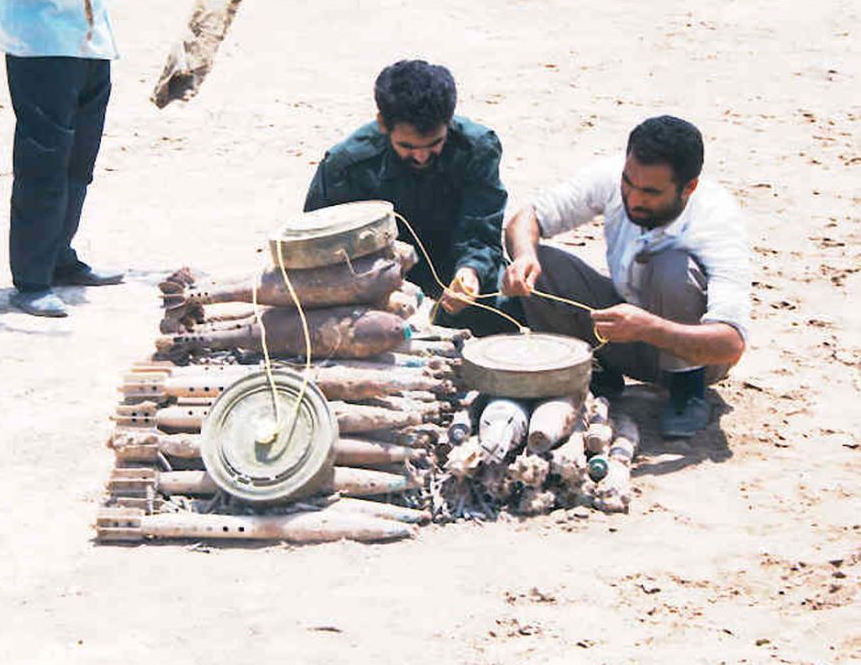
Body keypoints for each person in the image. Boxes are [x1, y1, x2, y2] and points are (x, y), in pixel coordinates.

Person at [0, 0, 238, 317]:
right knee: (44, 166)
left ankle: (60, 257)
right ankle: (32, 281)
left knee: (79, 163)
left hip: (92, 43)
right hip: (39, 43)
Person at [501, 116, 751, 438]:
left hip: (693, 354)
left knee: (673, 269)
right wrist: (524, 257)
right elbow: (527, 219)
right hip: (624, 331)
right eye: (628, 184)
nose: (633, 199)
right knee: (542, 263)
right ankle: (597, 372)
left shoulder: (716, 221)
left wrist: (648, 327)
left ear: (688, 187)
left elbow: (731, 344)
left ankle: (686, 392)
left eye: (650, 192)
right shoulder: (612, 177)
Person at [304, 59, 519, 336]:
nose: (421, 156)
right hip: (373, 280)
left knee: (510, 310)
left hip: (452, 268)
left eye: (434, 144)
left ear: (449, 122)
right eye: (407, 146)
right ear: (383, 124)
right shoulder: (346, 165)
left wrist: (471, 273)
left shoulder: (477, 149)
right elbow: (318, 250)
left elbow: (481, 233)